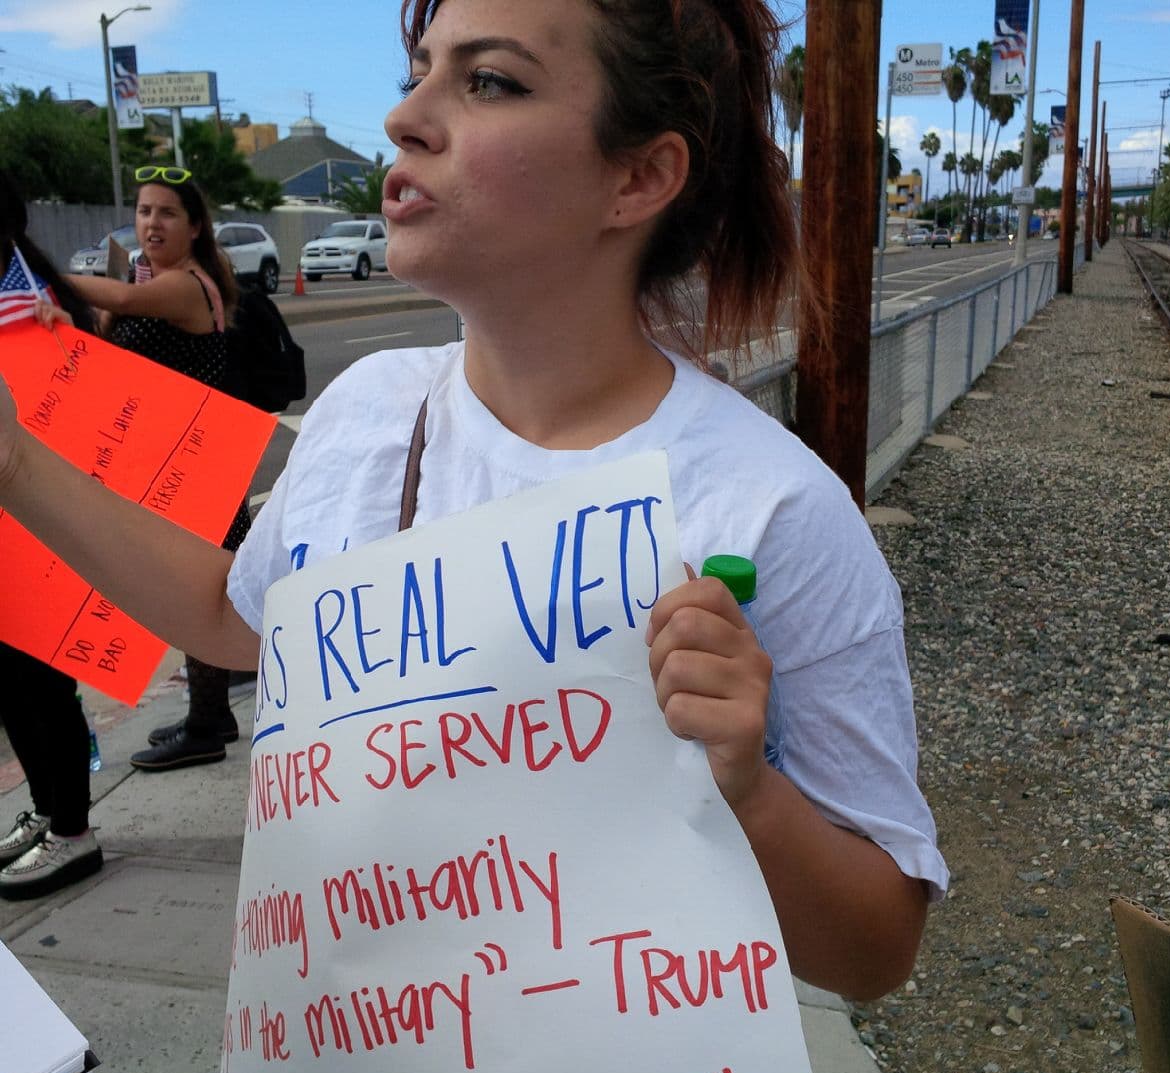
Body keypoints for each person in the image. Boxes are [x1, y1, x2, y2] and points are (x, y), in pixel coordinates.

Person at [0, 0, 947, 1000]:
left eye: (488, 81)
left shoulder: (770, 508)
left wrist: (747, 789)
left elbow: (876, 951)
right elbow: (231, 616)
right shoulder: (365, 410)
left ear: (638, 178)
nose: (406, 117)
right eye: (420, 69)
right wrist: (17, 468)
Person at [68, 167, 251, 772]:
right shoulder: (161, 280)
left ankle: (208, 722)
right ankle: (212, 711)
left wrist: (45, 279)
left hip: (199, 462)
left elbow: (118, 301)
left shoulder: (187, 286)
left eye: (167, 213)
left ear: (196, 227)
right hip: (184, 459)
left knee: (199, 593)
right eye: (144, 212)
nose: (151, 223)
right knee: (205, 590)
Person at [0, 170, 103, 901]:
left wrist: (59, 336)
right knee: (11, 685)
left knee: (41, 683)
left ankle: (73, 831)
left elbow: (80, 399)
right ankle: (44, 811)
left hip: (35, 522)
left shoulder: (36, 299)